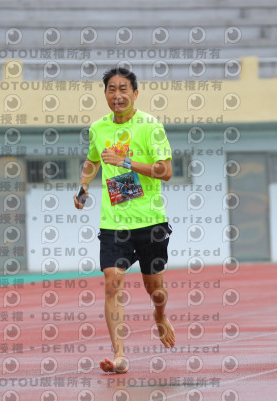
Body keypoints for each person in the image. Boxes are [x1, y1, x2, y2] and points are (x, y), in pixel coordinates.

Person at [74, 66, 175, 373]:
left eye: (123, 89)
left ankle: (160, 314)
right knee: (112, 281)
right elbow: (92, 160)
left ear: (135, 93)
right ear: (105, 94)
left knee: (154, 288)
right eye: (111, 89)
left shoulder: (150, 126)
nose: (117, 95)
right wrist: (83, 187)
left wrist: (125, 162)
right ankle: (119, 356)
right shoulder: (98, 129)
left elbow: (166, 171)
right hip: (114, 222)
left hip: (150, 221)